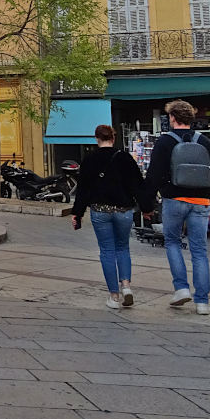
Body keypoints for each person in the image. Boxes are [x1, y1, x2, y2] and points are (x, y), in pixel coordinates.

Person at [145, 99, 210, 315]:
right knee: (199, 251)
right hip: (201, 202)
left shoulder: (164, 142)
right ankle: (203, 302)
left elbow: (154, 175)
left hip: (174, 199)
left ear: (172, 118)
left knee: (172, 243)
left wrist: (147, 203)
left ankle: (181, 288)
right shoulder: (205, 142)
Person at [72, 124, 147, 310]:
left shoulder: (89, 160)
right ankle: (126, 286)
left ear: (96, 138)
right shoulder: (124, 157)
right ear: (113, 138)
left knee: (106, 251)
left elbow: (83, 190)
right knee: (123, 248)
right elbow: (137, 185)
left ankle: (113, 296)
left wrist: (77, 213)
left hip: (100, 211)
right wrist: (147, 207)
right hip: (124, 211)